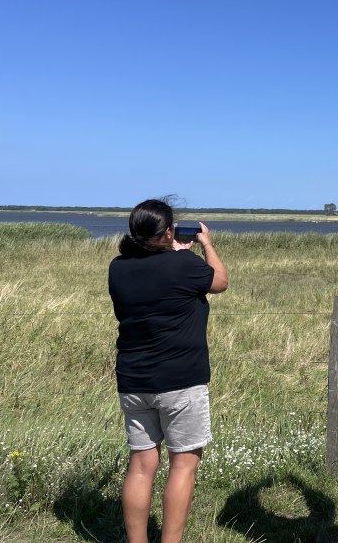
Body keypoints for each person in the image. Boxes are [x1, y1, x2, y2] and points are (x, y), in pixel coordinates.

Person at [108, 199, 228, 543]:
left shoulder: (118, 267)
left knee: (142, 466)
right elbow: (219, 281)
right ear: (168, 231)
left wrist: (171, 251)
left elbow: (153, 278)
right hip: (181, 380)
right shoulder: (183, 264)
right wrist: (206, 244)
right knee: (183, 464)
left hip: (133, 379)